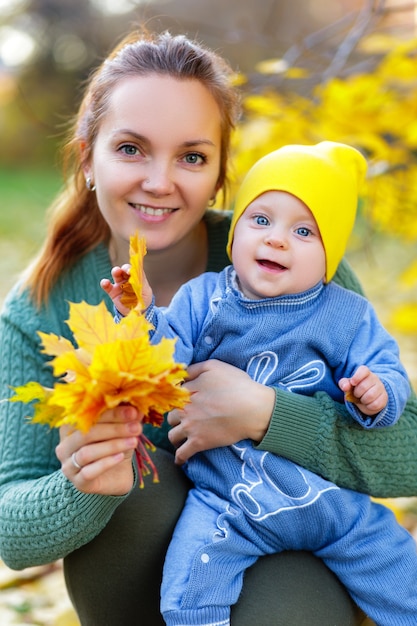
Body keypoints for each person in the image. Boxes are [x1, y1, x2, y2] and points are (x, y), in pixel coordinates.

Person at [0, 29, 416, 626]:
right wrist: (80, 482)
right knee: (138, 494)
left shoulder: (294, 257)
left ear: (221, 173)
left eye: (191, 156)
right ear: (88, 155)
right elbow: (12, 533)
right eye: (131, 149)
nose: (160, 181)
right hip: (150, 559)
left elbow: (411, 453)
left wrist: (268, 415)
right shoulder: (40, 305)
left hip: (296, 541)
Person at [104, 141, 415, 626]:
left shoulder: (344, 313)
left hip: (331, 503)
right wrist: (141, 314)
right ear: (237, 231)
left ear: (330, 256)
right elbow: (162, 360)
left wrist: (378, 393)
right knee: (188, 591)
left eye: (304, 231)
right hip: (229, 503)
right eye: (261, 220)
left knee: (400, 575)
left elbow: (386, 369)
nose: (276, 240)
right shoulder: (203, 300)